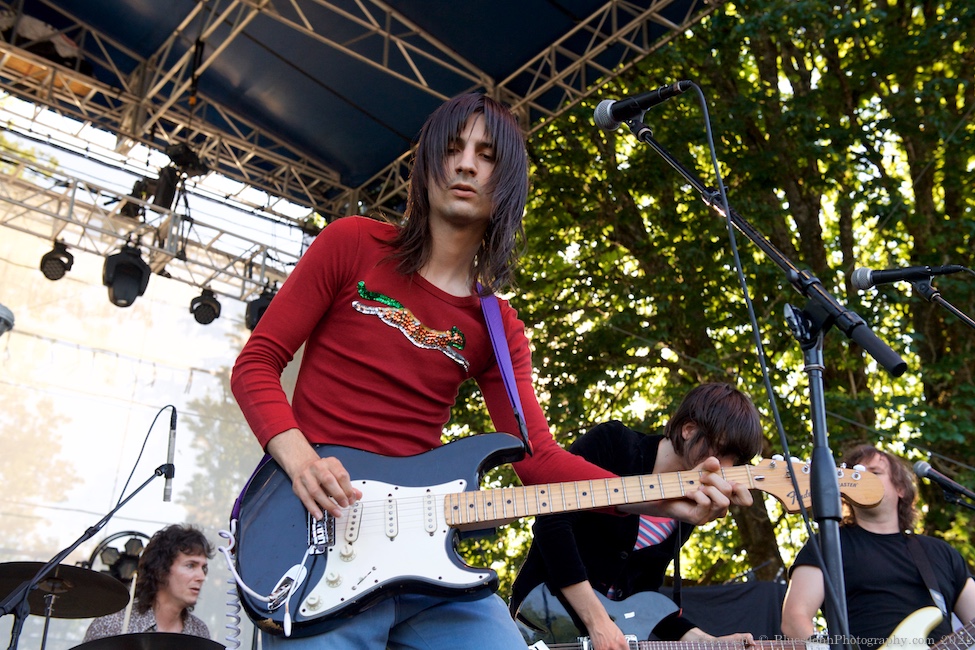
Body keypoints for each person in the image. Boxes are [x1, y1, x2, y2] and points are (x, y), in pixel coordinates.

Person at [230, 92, 751, 649]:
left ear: (507, 185)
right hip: (319, 544)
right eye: (452, 149)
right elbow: (257, 364)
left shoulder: (498, 327)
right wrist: (301, 458)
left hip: (424, 563)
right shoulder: (352, 243)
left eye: (486, 155)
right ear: (428, 164)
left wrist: (661, 496)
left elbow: (539, 460)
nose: (465, 164)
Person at [510, 382, 764, 649]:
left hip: (599, 638)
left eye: (735, 462)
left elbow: (643, 596)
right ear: (689, 430)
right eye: (722, 452)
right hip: (539, 621)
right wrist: (597, 621)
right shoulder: (614, 442)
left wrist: (708, 642)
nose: (726, 468)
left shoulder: (692, 503)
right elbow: (552, 523)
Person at [780, 445, 975, 649]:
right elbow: (794, 619)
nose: (863, 479)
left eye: (874, 472)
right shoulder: (828, 544)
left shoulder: (941, 552)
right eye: (854, 475)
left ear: (900, 489)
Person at [84, 524, 213, 641]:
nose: (201, 576)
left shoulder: (199, 632)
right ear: (161, 570)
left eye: (203, 568)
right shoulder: (112, 624)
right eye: (190, 566)